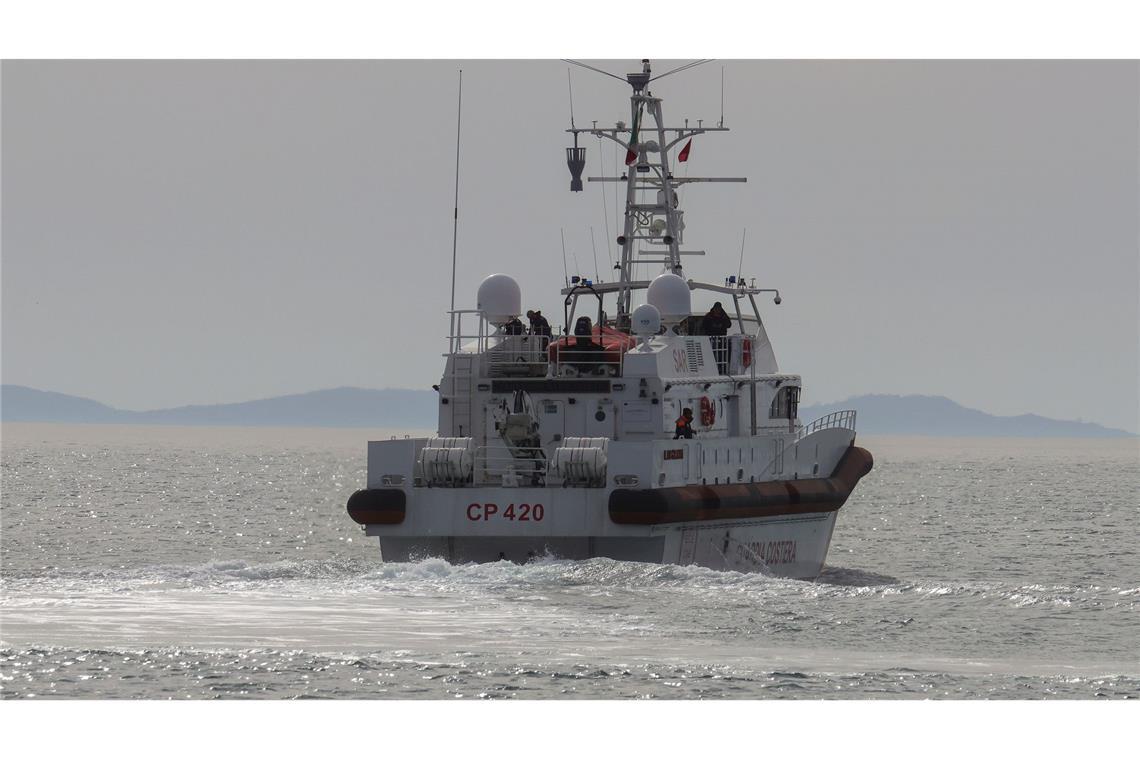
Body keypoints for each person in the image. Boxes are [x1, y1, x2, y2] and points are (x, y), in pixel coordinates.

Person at [702, 302, 732, 373]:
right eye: (716, 309)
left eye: (719, 309)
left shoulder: (724, 316)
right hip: (711, 339)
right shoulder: (708, 316)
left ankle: (723, 369)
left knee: (723, 355)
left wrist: (722, 323)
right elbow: (704, 326)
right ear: (714, 308)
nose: (717, 310)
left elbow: (729, 325)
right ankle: (712, 369)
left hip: (722, 340)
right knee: (713, 355)